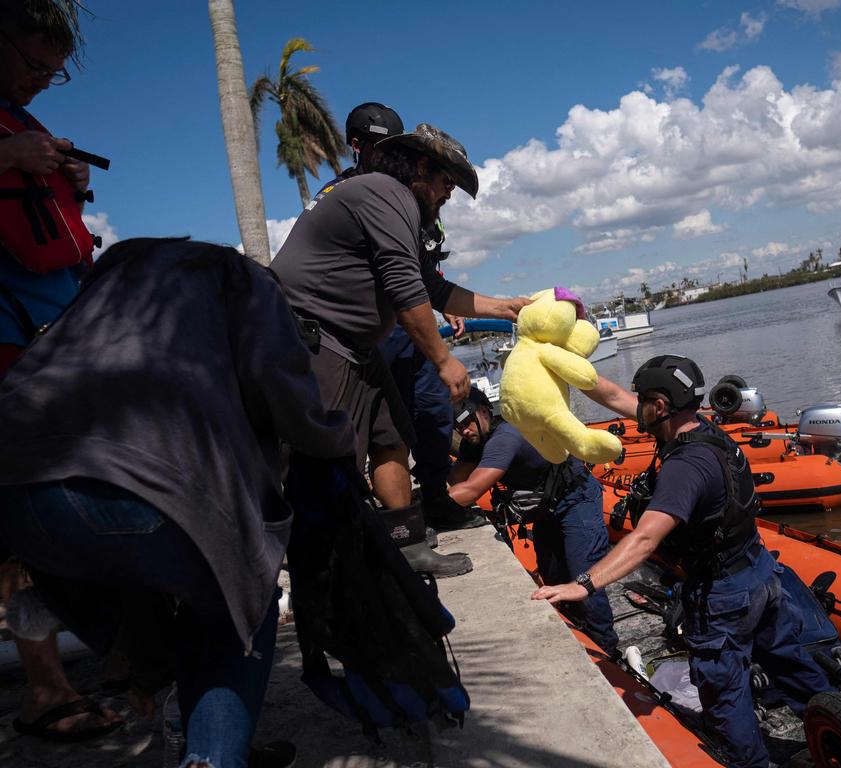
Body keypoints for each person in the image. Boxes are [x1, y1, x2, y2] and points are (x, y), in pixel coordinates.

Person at [0, 238, 352, 767]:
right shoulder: (243, 279)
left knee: (171, 602)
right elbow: (287, 396)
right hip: (134, 483)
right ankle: (212, 755)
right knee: (240, 605)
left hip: (15, 489)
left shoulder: (100, 294)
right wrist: (338, 440)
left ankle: (184, 713)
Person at [532, 355, 833, 768]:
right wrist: (554, 359)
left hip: (724, 594)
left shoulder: (685, 467)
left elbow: (645, 538)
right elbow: (612, 394)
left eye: (643, 400)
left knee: (724, 696)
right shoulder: (702, 429)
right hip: (760, 572)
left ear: (659, 405)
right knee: (788, 660)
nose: (634, 405)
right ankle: (839, 733)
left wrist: (582, 584)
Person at [274, 122, 529, 578]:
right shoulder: (384, 193)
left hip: (356, 345)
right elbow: (402, 283)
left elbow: (432, 285)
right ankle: (325, 564)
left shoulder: (394, 203)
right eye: (446, 183)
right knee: (332, 456)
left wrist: (504, 307)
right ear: (421, 168)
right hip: (313, 339)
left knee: (391, 437)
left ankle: (407, 545)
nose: (448, 195)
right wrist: (444, 359)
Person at [0, 0, 117, 742]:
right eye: (33, 63)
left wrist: (70, 179)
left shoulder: (25, 123)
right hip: (10, 352)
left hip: (58, 343)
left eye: (55, 70)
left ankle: (93, 662)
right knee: (20, 521)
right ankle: (44, 687)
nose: (44, 81)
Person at [447, 387, 619, 655]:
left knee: (583, 578)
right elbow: (456, 480)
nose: (464, 431)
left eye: (466, 422)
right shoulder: (475, 442)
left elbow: (470, 490)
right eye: (457, 427)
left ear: (483, 412)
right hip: (546, 509)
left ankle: (608, 651)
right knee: (551, 576)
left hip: (576, 499)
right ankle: (576, 635)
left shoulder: (504, 437)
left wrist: (426, 509)